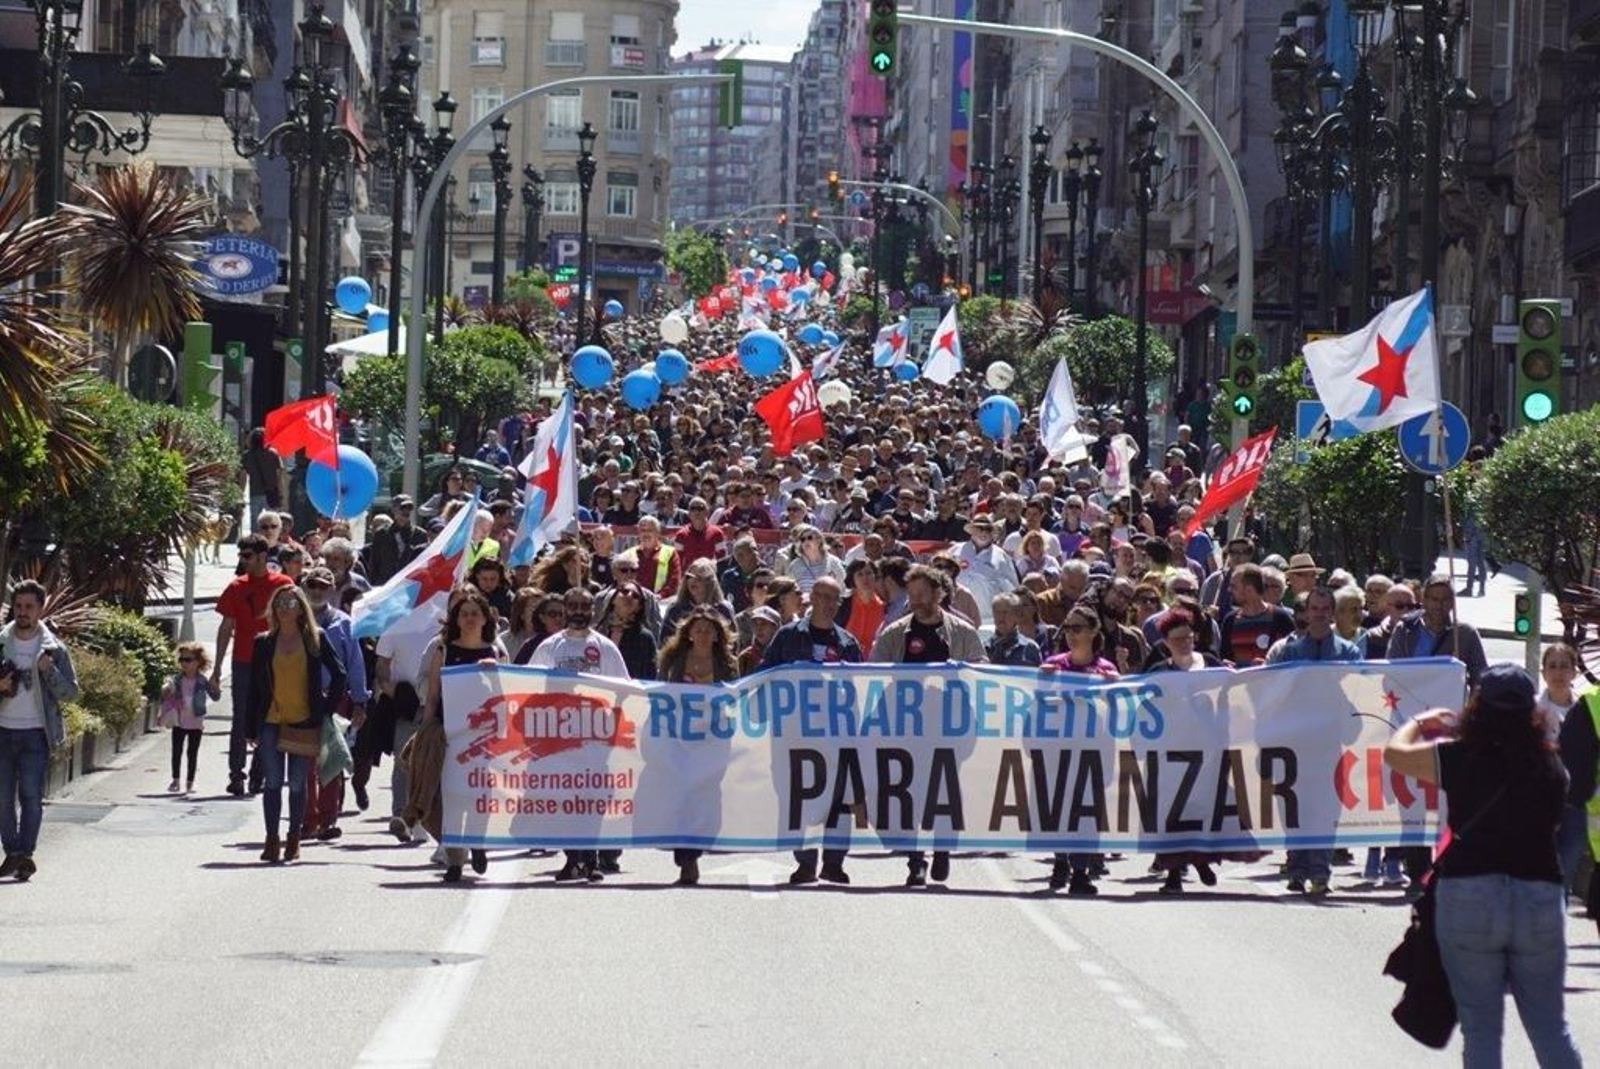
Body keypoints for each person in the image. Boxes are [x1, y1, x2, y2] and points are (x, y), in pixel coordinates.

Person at [1382, 666, 1583, 1067]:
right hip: (1539, 894)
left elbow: (1394, 755)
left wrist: (1420, 724)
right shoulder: (1553, 769)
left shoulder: (1459, 756)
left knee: (1481, 1029)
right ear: (1532, 711)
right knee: (1549, 1026)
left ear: (1478, 707)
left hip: (1469, 893)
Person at [872, 565, 986, 887]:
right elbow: (873, 671)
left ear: (939, 593)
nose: (916, 601)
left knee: (944, 791)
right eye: (912, 595)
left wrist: (961, 671)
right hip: (907, 727)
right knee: (908, 792)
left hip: (950, 728)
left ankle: (943, 848)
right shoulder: (895, 633)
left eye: (922, 594)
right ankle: (915, 860)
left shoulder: (962, 632)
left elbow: (982, 670)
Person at [761, 577, 862, 884]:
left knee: (838, 799)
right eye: (822, 596)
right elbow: (765, 674)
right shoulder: (788, 637)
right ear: (811, 598)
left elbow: (858, 689)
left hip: (836, 736)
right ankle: (805, 862)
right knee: (797, 798)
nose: (828, 604)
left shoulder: (848, 643)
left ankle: (833, 862)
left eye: (834, 599)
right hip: (794, 735)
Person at [526, 587, 630, 881]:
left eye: (585, 607)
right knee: (564, 799)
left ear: (593, 611)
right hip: (558, 737)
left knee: (592, 800)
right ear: (565, 609)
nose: (579, 612)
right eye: (573, 606)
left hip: (595, 736)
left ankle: (591, 859)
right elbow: (528, 683)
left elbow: (623, 688)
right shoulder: (550, 647)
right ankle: (573, 858)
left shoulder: (605, 648)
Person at [1264, 587, 1361, 896]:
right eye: (1314, 608)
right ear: (1305, 613)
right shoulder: (1288, 652)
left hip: (1330, 743)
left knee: (1324, 809)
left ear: (1332, 613)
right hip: (1294, 742)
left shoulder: (1349, 653)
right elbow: (1274, 693)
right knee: (1294, 807)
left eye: (1324, 608)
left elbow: (1358, 693)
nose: (1319, 614)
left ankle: (1320, 873)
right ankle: (1296, 869)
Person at [247, 585, 346, 865]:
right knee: (272, 782)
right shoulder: (264, 642)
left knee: (298, 783)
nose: (284, 608)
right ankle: (271, 840)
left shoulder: (315, 638)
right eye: (279, 602)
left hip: (304, 721)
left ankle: (294, 837)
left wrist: (325, 710)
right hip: (271, 720)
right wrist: (249, 728)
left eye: (290, 603)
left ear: (301, 608)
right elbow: (253, 688)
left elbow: (339, 674)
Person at [414, 588, 500, 882]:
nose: (470, 619)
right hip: (449, 734)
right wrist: (426, 731)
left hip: (483, 738)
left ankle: (478, 842)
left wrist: (495, 672)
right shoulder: (444, 650)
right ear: (456, 619)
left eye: (475, 613)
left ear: (485, 618)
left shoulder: (495, 652)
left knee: (480, 793)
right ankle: (454, 861)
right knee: (450, 796)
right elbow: (433, 696)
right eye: (464, 614)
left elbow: (504, 694)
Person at [0, 581, 79, 882]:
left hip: (36, 734)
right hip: (3, 731)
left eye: (29, 607)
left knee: (31, 796)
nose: (22, 612)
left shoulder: (54, 649)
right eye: (18, 606)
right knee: (3, 799)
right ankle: (14, 853)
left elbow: (71, 694)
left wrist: (49, 670)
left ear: (40, 609)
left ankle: (24, 853)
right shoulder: (1, 642)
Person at [656, 606, 740, 886]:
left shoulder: (727, 663)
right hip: (681, 738)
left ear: (717, 635)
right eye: (699, 630)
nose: (703, 635)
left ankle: (698, 843)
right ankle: (687, 858)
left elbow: (734, 697)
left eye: (709, 631)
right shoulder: (674, 660)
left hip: (714, 740)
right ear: (689, 633)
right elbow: (661, 693)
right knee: (683, 795)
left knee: (707, 794)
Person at [1040, 604, 1119, 895]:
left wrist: (1114, 689)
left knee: (1088, 811)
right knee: (1060, 807)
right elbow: (1037, 706)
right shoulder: (1054, 665)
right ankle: (1061, 861)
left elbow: (1118, 714)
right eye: (1067, 629)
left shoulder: (1105, 670)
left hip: (1095, 750)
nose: (1071, 635)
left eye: (1078, 628)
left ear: (1093, 632)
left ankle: (1081, 872)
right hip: (1059, 749)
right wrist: (1042, 682)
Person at [213, 534, 296, 796]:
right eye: (241, 556)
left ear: (262, 556)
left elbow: (294, 621)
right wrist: (216, 669)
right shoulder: (236, 586)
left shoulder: (283, 584)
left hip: (274, 663)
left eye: (247, 556)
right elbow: (226, 627)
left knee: (268, 718)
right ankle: (236, 775)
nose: (243, 561)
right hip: (243, 661)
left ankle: (258, 774)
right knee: (240, 718)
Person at [299, 567, 369, 843]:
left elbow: (355, 664)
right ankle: (307, 820)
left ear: (331, 590)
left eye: (322, 586)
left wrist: (360, 702)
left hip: (334, 699)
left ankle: (328, 819)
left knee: (331, 760)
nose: (317, 591)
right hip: (300, 699)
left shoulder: (343, 623)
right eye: (312, 585)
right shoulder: (294, 620)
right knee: (303, 764)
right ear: (304, 588)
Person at [1386, 576, 1489, 689]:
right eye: (1434, 599)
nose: (1439, 605)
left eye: (1445, 600)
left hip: (1450, 698)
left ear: (1452, 602)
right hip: (1409, 696)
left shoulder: (1466, 633)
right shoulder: (1405, 629)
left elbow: (1481, 677)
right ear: (1424, 600)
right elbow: (1391, 670)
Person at [158, 641, 220, 794]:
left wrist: (215, 685)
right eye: (181, 660)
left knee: (192, 753)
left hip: (196, 721)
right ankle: (175, 780)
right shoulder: (176, 679)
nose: (184, 663)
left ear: (198, 662)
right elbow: (167, 689)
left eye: (188, 660)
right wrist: (166, 689)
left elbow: (215, 697)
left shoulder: (202, 680)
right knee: (176, 751)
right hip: (178, 720)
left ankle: (190, 782)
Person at [1218, 563, 1295, 668]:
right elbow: (1225, 657)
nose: (1229, 590)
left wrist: (1268, 665)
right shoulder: (1230, 621)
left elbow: (1293, 657)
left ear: (1249, 590)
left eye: (1234, 586)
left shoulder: (1280, 618)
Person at [597, 582, 659, 681]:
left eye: (635, 596)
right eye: (625, 591)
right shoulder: (597, 632)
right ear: (613, 599)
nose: (629, 596)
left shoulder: (645, 638)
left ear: (639, 607)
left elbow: (650, 676)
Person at [241, 427, 287, 526]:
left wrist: (242, 494)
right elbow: (279, 475)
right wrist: (281, 493)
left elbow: (243, 476)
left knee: (255, 522)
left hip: (255, 493)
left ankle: (256, 536)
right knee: (273, 522)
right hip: (272, 493)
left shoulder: (247, 456)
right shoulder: (273, 453)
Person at [986, 592, 1042, 666]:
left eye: (1005, 612)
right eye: (997, 612)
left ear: (1016, 615)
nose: (1001, 617)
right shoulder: (985, 648)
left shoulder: (1028, 648)